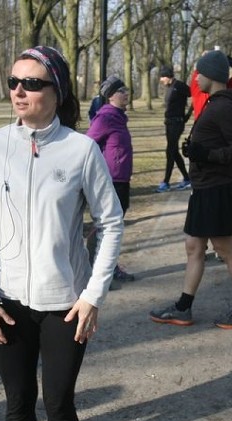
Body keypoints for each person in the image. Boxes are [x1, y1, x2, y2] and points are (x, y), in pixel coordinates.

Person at [0, 46, 124, 421]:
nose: (19, 90)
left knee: (57, 403)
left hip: (65, 304)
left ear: (57, 91)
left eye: (32, 83)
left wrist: (93, 294)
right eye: (14, 81)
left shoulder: (81, 150)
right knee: (17, 403)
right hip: (8, 304)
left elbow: (111, 222)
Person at [149, 49, 232, 329]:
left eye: (199, 73)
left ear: (212, 76)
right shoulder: (215, 103)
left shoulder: (225, 106)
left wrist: (205, 154)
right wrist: (197, 150)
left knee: (225, 248)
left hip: (215, 188)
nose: (195, 78)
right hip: (204, 185)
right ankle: (183, 307)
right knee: (194, 246)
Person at [86, 75, 136, 283]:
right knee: (109, 226)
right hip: (112, 180)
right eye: (121, 91)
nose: (126, 93)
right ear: (111, 96)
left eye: (125, 90)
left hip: (122, 179)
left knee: (110, 225)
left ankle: (95, 265)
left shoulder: (119, 116)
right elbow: (87, 144)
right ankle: (100, 269)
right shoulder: (106, 117)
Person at [157, 65, 191, 192]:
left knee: (170, 151)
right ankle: (187, 178)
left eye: (163, 77)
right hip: (169, 124)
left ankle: (166, 182)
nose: (161, 80)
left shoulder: (180, 86)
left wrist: (187, 115)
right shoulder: (169, 87)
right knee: (174, 151)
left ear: (168, 76)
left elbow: (195, 95)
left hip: (177, 123)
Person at [189, 51, 232, 120]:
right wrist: (207, 58)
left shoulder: (228, 89)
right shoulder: (198, 89)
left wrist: (223, 58)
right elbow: (201, 70)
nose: (197, 78)